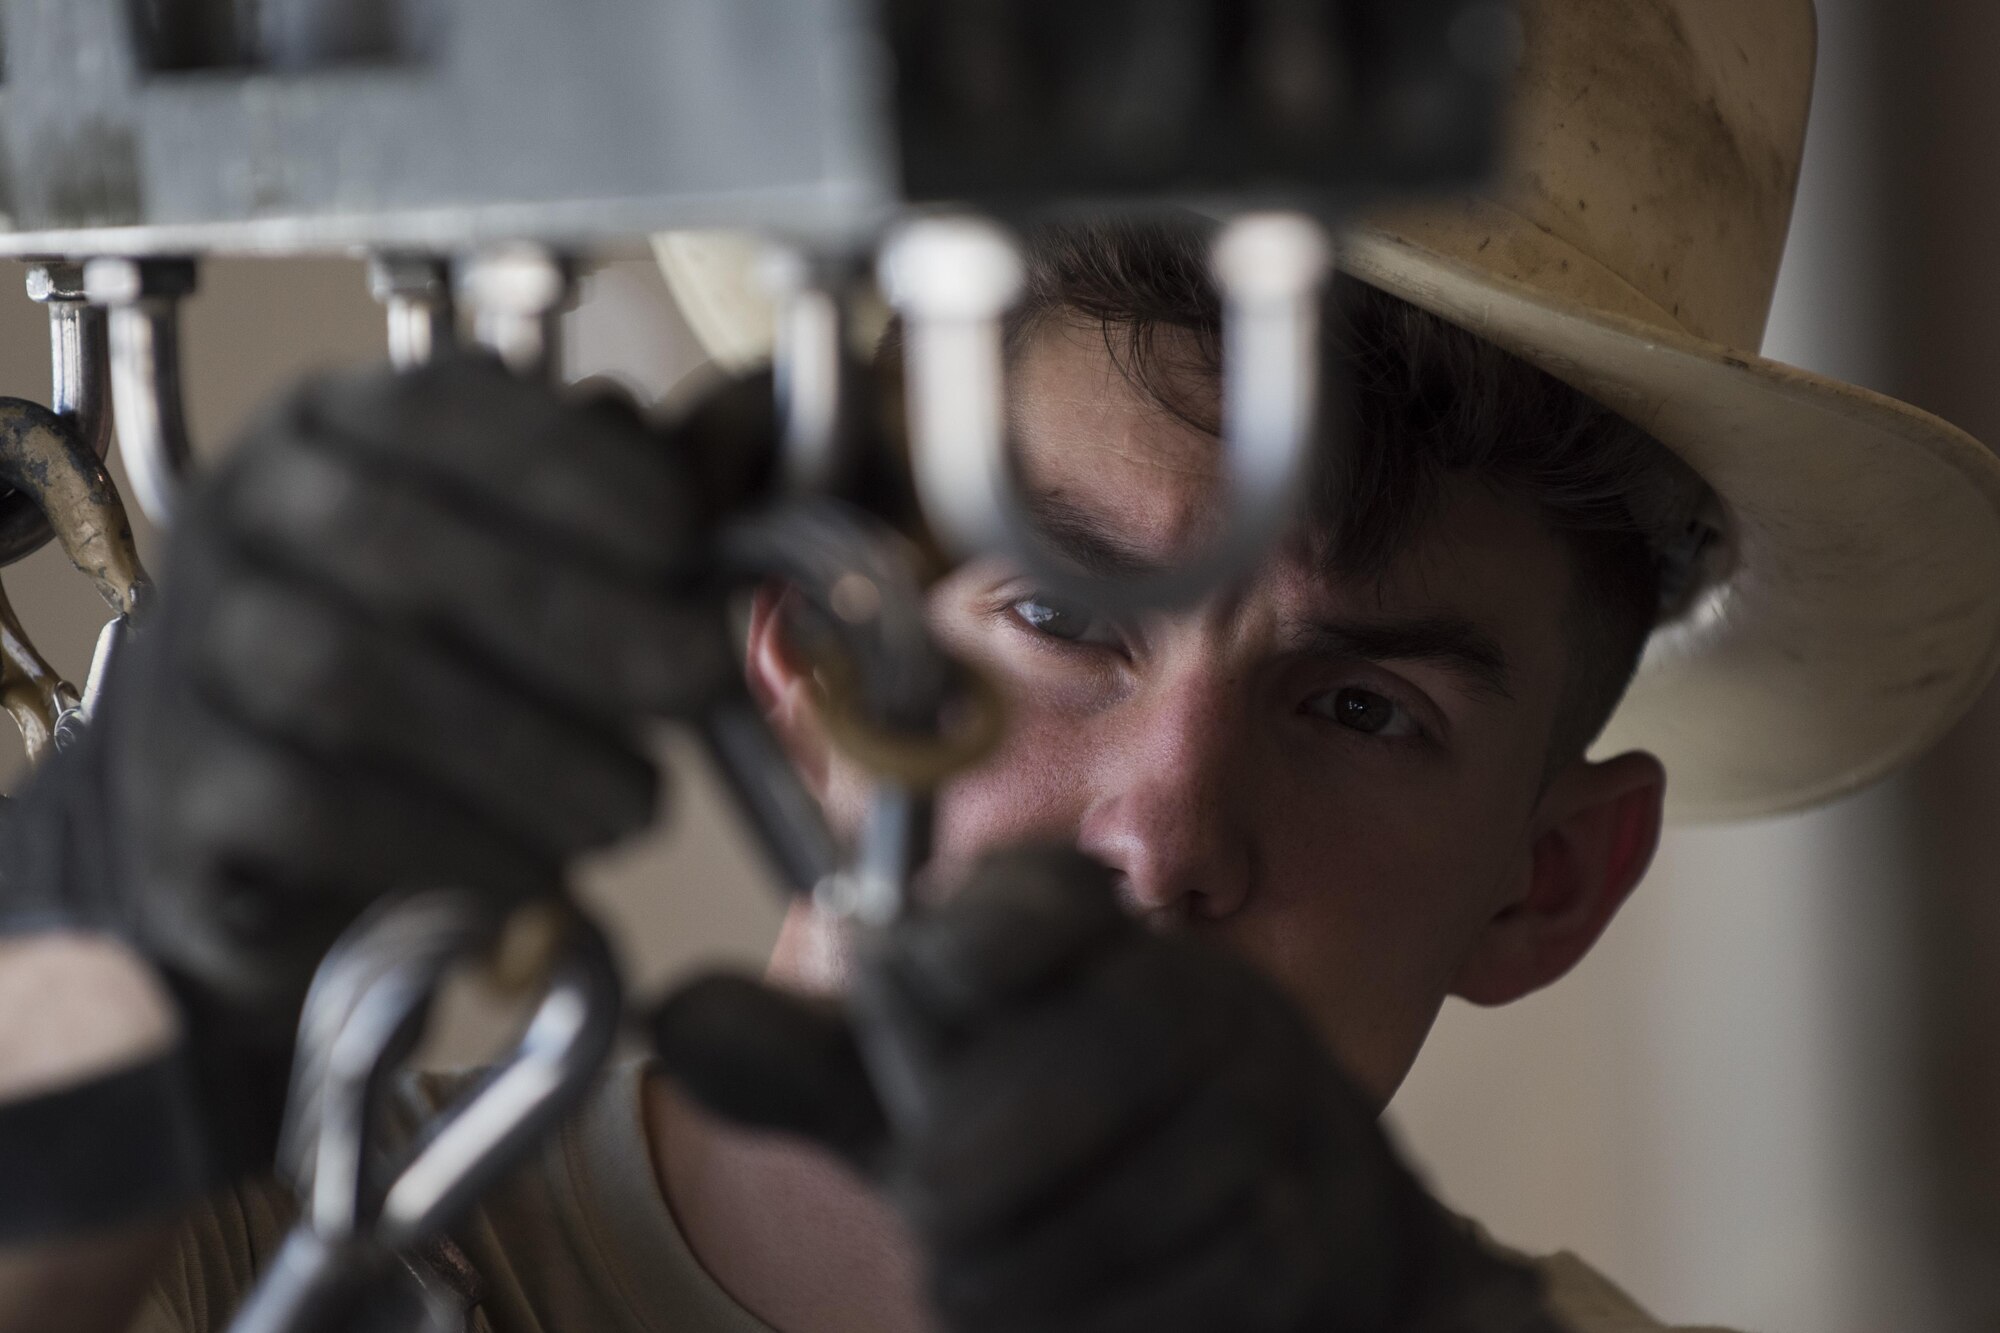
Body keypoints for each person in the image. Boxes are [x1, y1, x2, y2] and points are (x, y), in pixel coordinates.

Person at [6, 0, 2000, 1330]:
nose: (1165, 829)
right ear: (798, 628)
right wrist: (97, 940)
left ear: (1549, 877)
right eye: (1058, 613)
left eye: (1365, 710)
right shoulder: (245, 1261)